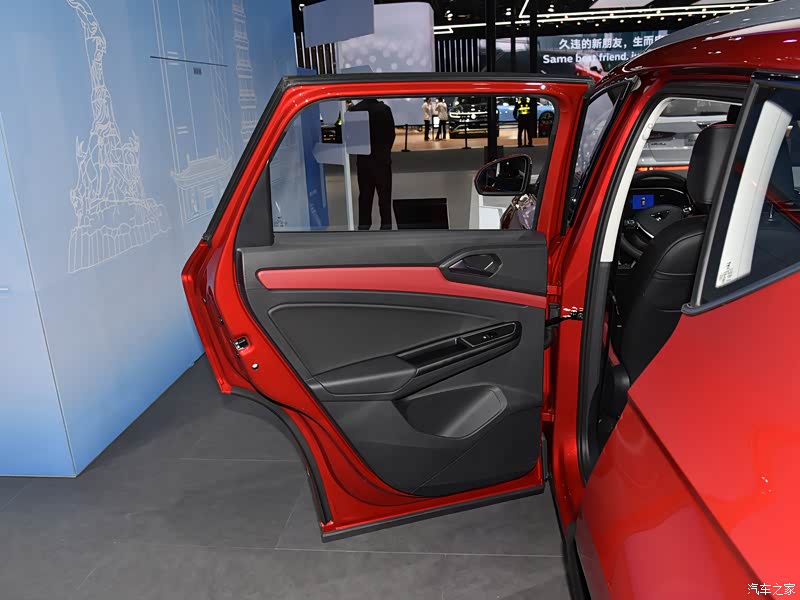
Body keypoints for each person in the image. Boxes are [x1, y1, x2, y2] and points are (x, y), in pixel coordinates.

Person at [349, 98, 396, 230]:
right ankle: (386, 226)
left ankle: (364, 226)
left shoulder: (355, 110)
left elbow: (351, 137)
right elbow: (391, 134)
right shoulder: (385, 109)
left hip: (364, 161)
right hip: (382, 160)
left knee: (365, 196)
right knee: (385, 197)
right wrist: (385, 151)